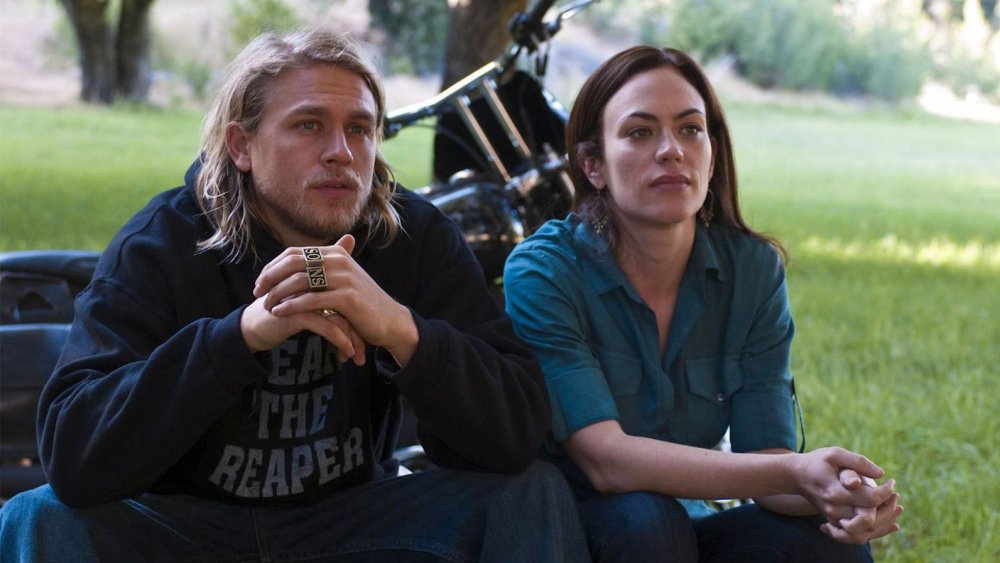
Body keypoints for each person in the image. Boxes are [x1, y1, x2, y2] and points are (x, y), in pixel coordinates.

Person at [0, 29, 591, 562]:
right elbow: (74, 454)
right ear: (241, 145)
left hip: (356, 523)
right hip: (188, 530)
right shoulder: (164, 243)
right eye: (309, 125)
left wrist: (401, 331)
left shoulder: (411, 236)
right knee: (39, 517)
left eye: (359, 128)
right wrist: (237, 338)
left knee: (528, 493)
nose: (341, 152)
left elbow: (517, 433)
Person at [503, 45, 903, 562]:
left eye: (690, 129)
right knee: (647, 521)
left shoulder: (752, 270)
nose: (671, 150)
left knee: (826, 544)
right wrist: (792, 472)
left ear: (713, 154)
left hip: (682, 527)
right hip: (568, 532)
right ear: (593, 165)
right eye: (639, 132)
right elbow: (606, 463)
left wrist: (837, 495)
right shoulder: (544, 271)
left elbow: (768, 460)